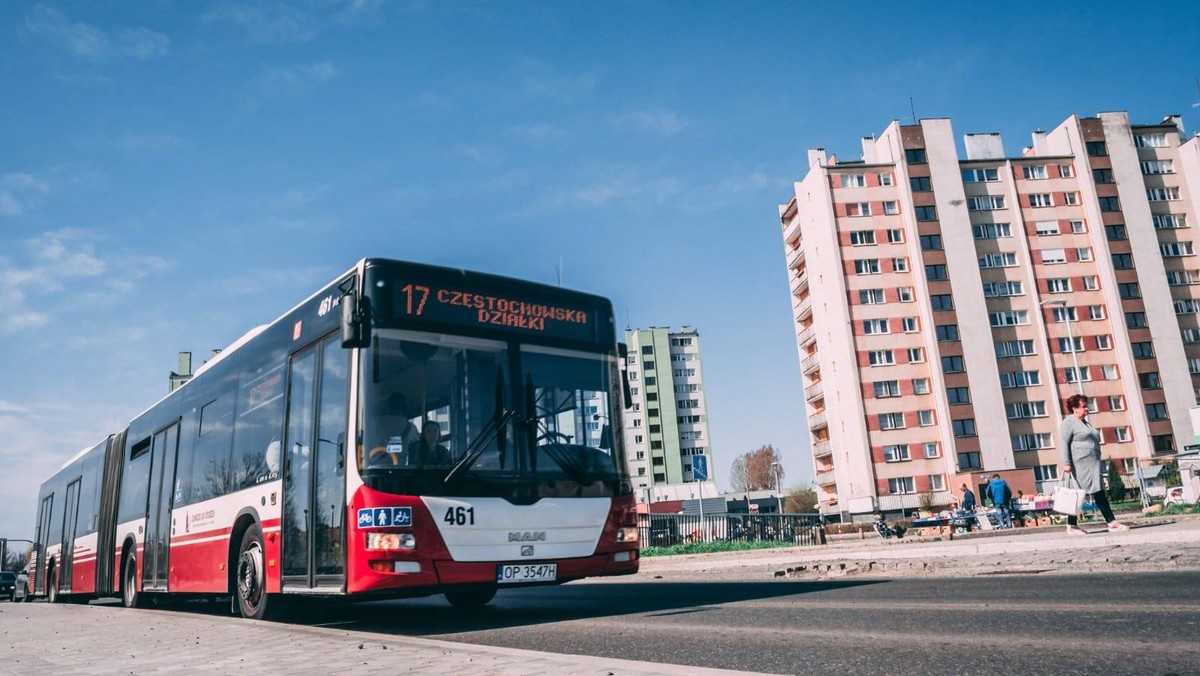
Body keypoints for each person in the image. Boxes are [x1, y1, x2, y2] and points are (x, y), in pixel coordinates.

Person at [1060, 393, 1130, 534]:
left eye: (1087, 406)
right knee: (1077, 494)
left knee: (1098, 491)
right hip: (1079, 465)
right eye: (1083, 406)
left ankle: (1110, 521)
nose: (1087, 409)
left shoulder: (1086, 423)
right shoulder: (1069, 422)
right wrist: (1066, 463)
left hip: (1092, 464)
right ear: (1074, 408)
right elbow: (1064, 443)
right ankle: (1072, 525)